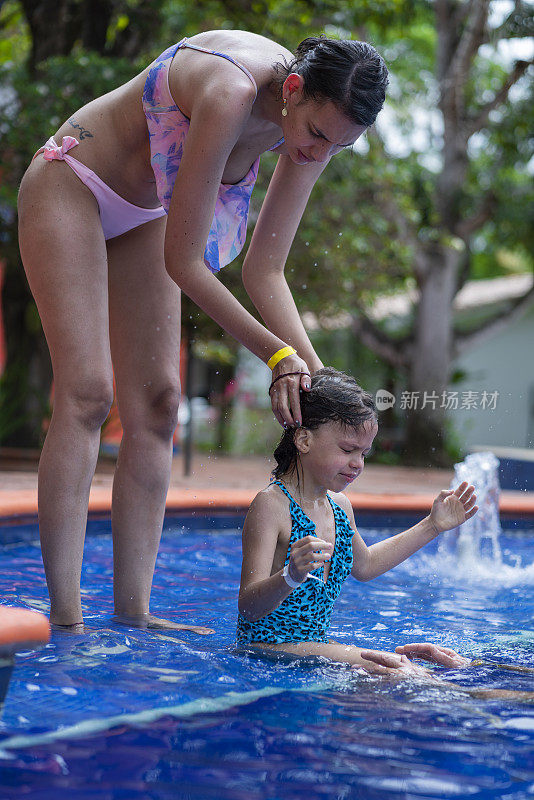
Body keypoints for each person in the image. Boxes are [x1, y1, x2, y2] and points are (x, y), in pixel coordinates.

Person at [17, 32, 388, 632]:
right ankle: (65, 617)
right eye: (317, 135)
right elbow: (184, 264)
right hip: (74, 181)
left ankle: (133, 613)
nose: (318, 153)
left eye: (338, 146)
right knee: (87, 392)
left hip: (146, 216)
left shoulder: (314, 133)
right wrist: (276, 356)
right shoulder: (231, 91)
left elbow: (265, 269)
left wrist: (317, 380)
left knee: (161, 407)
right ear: (292, 90)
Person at [237, 367, 482, 678]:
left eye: (364, 453)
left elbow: (365, 566)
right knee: (398, 671)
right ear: (303, 439)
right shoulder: (272, 505)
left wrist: (432, 525)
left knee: (420, 669)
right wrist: (291, 574)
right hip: (265, 649)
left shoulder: (338, 506)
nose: (358, 464)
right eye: (347, 449)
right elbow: (247, 608)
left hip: (309, 649)